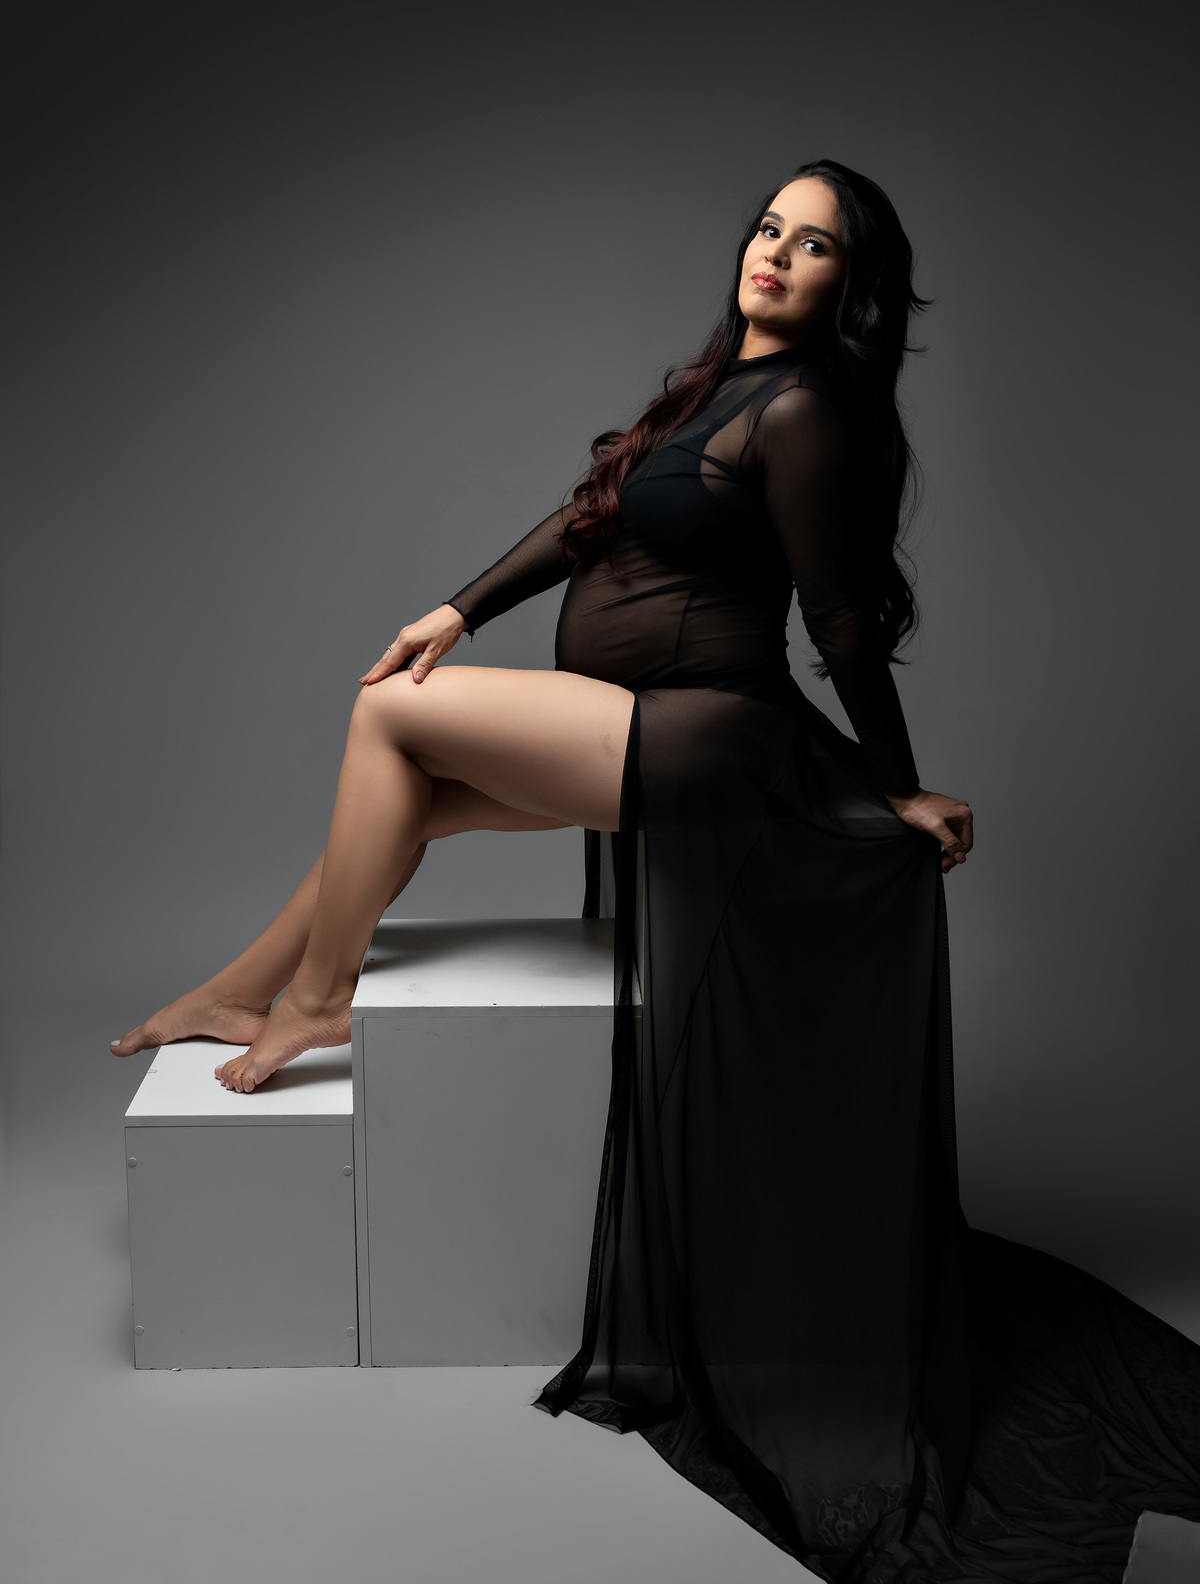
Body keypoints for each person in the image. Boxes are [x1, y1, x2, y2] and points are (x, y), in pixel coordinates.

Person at [112, 162, 1200, 1582]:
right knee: (412, 801)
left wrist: (894, 782)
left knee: (388, 723)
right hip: (638, 723)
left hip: (700, 735)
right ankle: (239, 988)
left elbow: (839, 622)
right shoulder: (711, 389)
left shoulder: (802, 411)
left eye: (816, 247)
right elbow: (585, 523)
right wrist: (456, 607)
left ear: (852, 288)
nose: (778, 255)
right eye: (770, 229)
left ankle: (314, 1003)